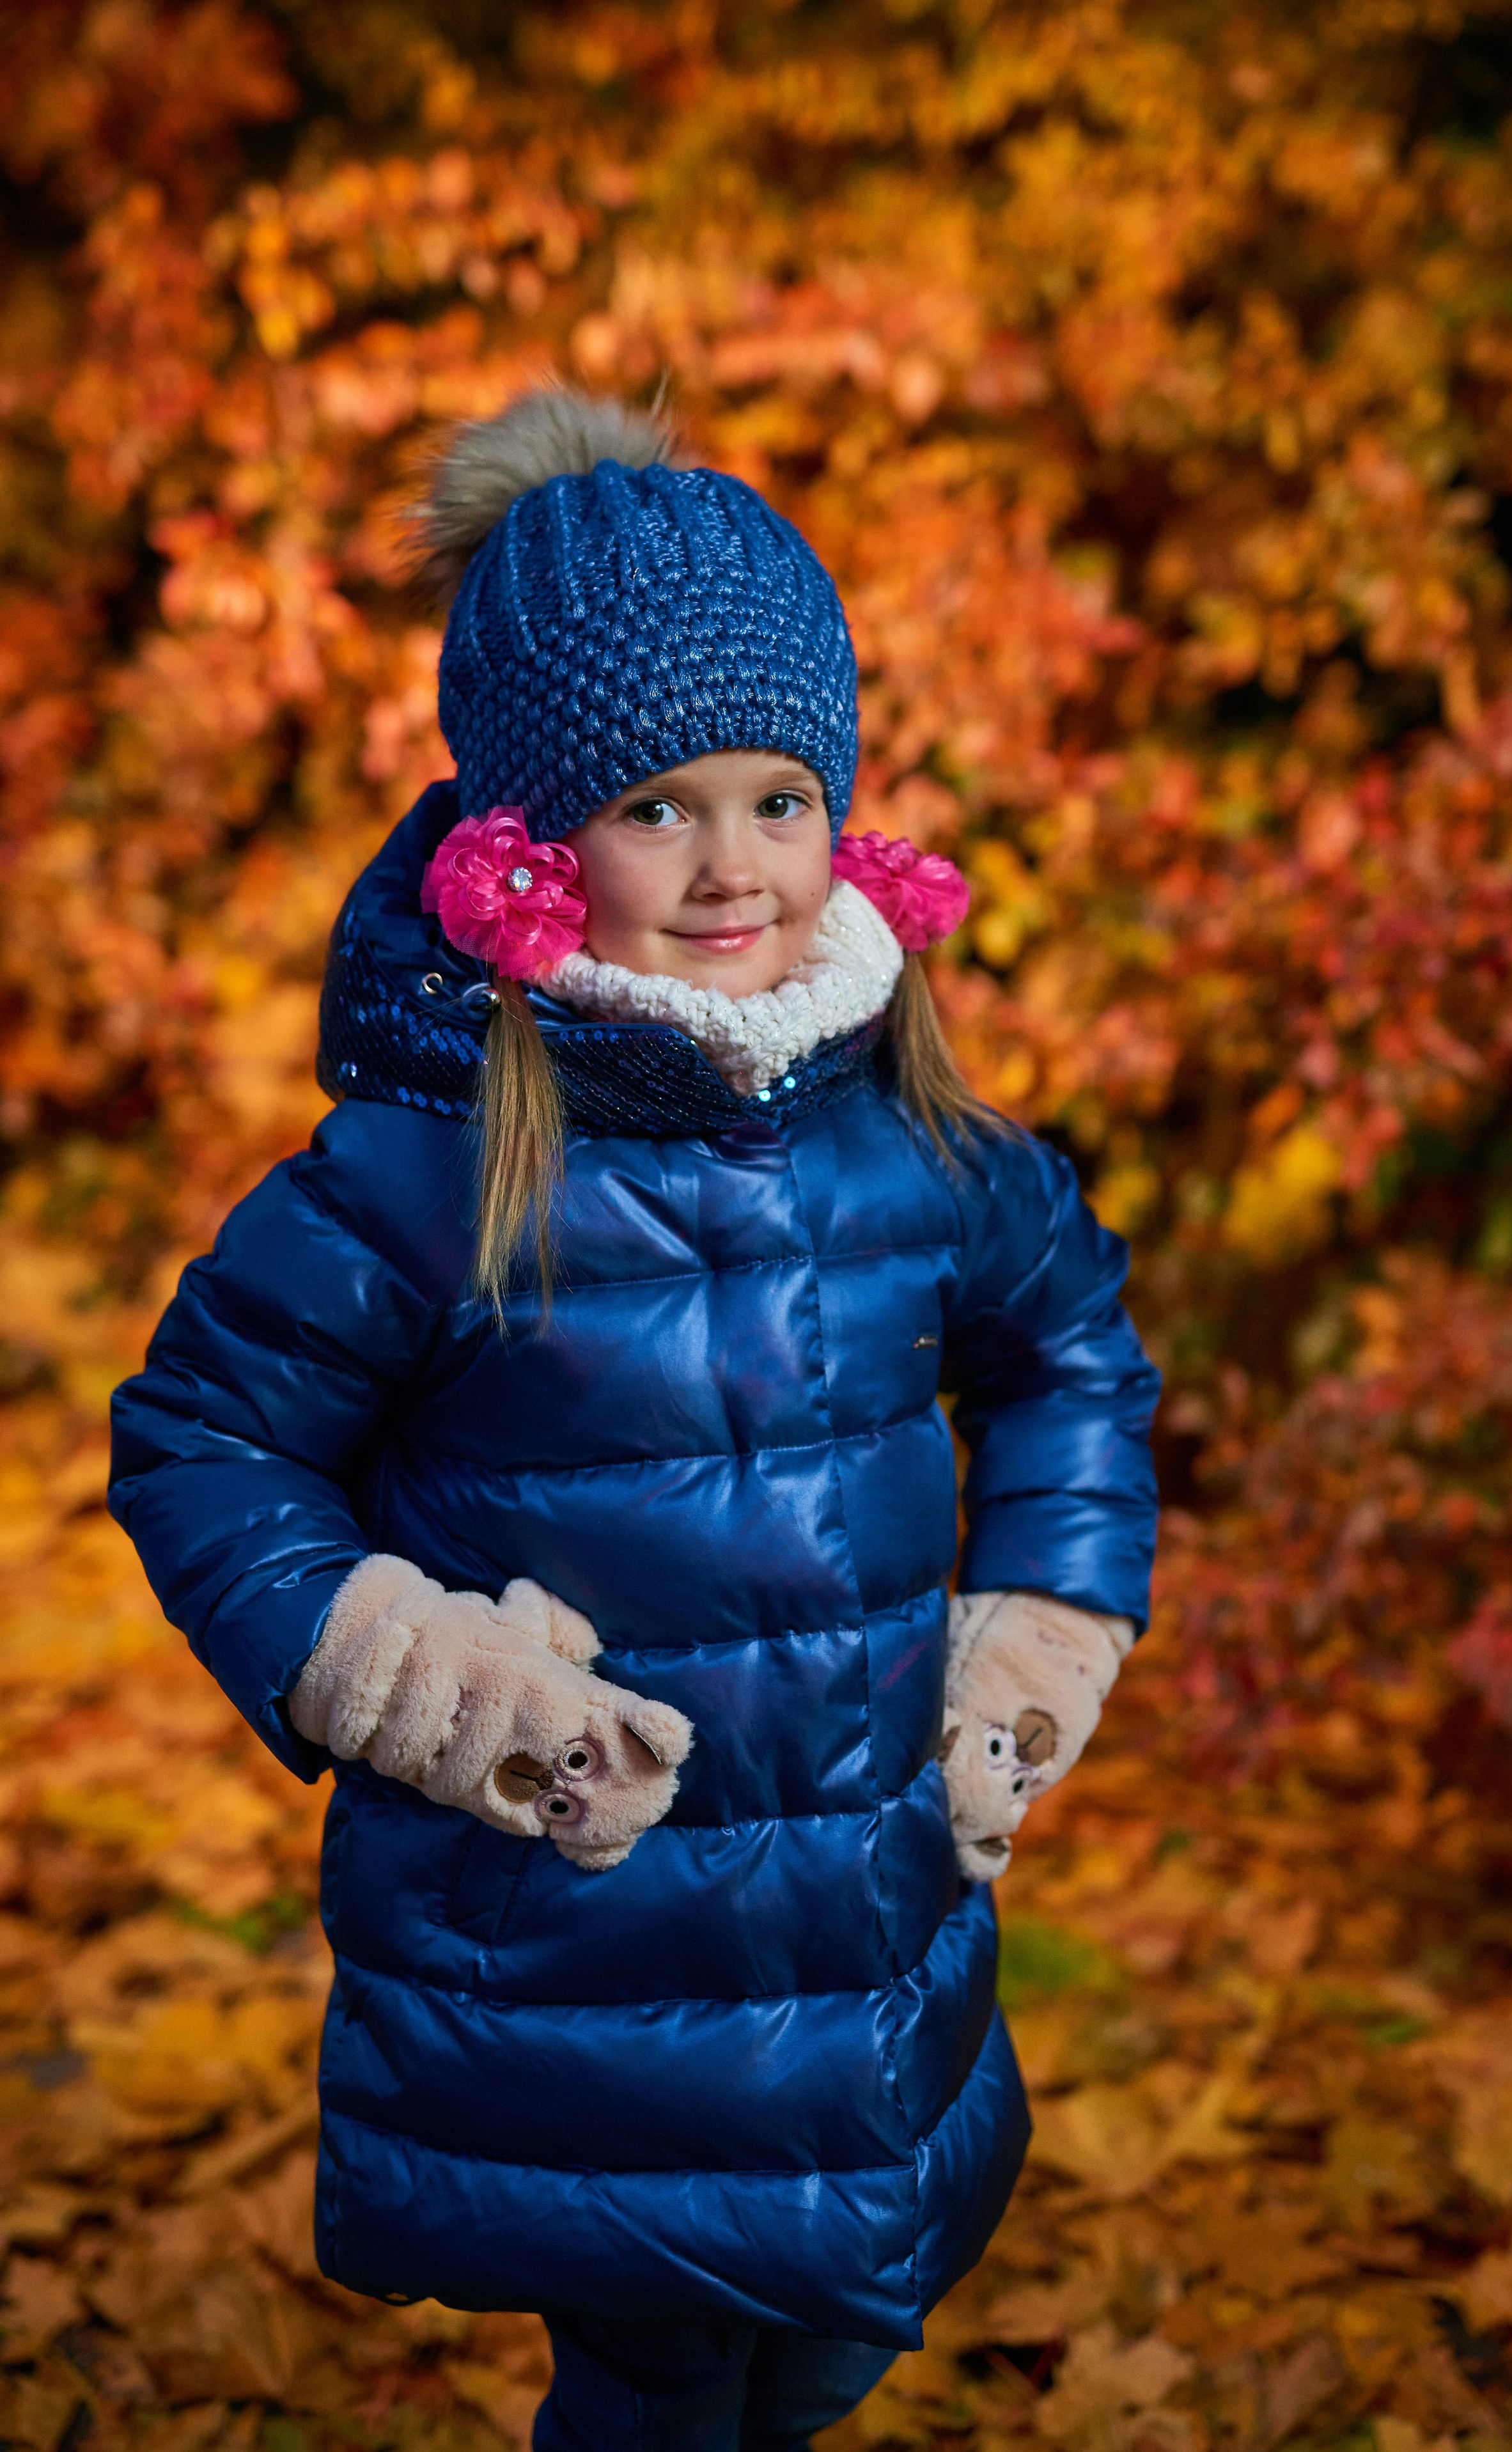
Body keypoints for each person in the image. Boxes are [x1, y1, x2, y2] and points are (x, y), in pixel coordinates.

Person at [109, 390, 1160, 2452]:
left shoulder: (912, 1136)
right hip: (586, 1934)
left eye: (781, 800)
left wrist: (1044, 1610)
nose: (729, 865)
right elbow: (201, 1438)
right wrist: (396, 1659)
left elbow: (1070, 1346)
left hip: (867, 1916)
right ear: (529, 840)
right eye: (659, 807)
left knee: (834, 2341)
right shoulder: (422, 1173)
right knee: (668, 2376)